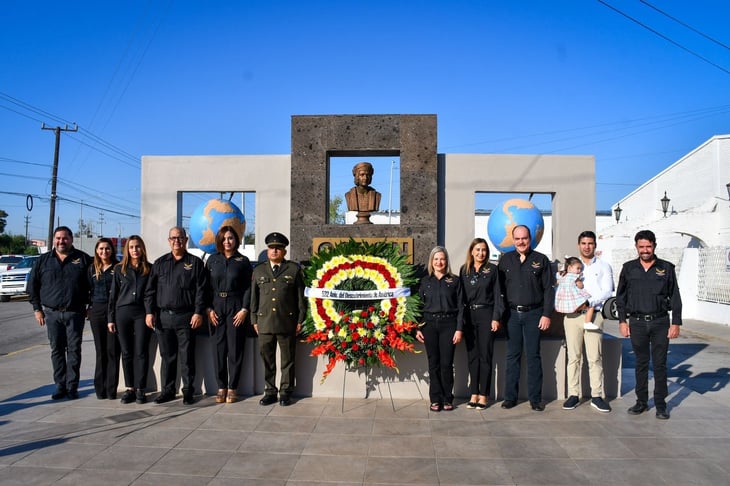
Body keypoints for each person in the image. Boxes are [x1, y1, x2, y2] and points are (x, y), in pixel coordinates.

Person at [616, 229, 682, 420]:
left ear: (654, 246)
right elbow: (621, 297)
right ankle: (641, 402)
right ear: (636, 247)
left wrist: (676, 322)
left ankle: (661, 405)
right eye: (641, 247)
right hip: (636, 322)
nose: (645, 250)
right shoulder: (628, 268)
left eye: (648, 246)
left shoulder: (666, 268)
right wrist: (622, 321)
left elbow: (675, 296)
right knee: (641, 363)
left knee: (660, 365)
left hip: (660, 321)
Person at [145, 227, 208, 405]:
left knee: (187, 356)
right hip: (164, 318)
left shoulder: (195, 263)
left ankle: (188, 391)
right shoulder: (159, 263)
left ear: (186, 240)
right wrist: (149, 312)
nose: (176, 241)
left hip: (187, 317)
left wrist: (198, 312)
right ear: (169, 240)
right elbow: (150, 291)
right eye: (173, 238)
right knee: (167, 357)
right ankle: (168, 390)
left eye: (180, 238)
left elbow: (201, 291)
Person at [28, 226, 92, 400]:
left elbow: (94, 285)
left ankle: (72, 387)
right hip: (51, 314)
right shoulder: (43, 260)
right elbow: (32, 286)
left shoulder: (83, 259)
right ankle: (60, 386)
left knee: (74, 350)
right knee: (56, 350)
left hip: (75, 313)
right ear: (53, 240)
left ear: (71, 239)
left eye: (64, 238)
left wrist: (90, 306)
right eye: (58, 238)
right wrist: (37, 309)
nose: (61, 241)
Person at [497, 225, 554, 411]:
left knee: (533, 356)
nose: (521, 242)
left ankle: (535, 399)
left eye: (524, 238)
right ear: (513, 240)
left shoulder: (541, 260)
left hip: (534, 315)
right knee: (512, 356)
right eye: (517, 239)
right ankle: (510, 398)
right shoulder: (505, 261)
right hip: (512, 315)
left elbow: (548, 290)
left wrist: (546, 314)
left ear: (530, 239)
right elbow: (500, 291)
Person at [250, 232, 307, 406]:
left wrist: (300, 320)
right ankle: (269, 391)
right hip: (264, 322)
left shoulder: (293, 270)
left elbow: (300, 298)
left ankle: (285, 392)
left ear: (284, 251)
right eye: (271, 248)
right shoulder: (259, 270)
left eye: (278, 248)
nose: (274, 251)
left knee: (287, 360)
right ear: (268, 250)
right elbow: (254, 297)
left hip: (286, 322)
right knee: (267, 360)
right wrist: (254, 319)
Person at [561, 231, 614, 413]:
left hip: (594, 313)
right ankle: (573, 394)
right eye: (583, 243)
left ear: (595, 245)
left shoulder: (604, 266)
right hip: (573, 316)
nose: (587, 246)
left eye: (590, 243)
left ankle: (597, 395)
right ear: (578, 245)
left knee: (594, 357)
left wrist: (589, 301)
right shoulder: (571, 267)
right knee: (573, 357)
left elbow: (608, 291)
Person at [206, 225, 253, 404]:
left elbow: (249, 288)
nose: (227, 241)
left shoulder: (243, 261)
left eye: (231, 238)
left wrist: (244, 309)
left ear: (236, 240)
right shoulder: (212, 260)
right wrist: (208, 309)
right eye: (224, 238)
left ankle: (233, 387)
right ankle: (221, 387)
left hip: (236, 306)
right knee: (218, 350)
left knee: (235, 349)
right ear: (219, 240)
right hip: (216, 306)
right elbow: (205, 287)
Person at [416, 246, 464, 412]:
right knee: (433, 364)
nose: (439, 262)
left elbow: (460, 307)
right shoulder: (424, 281)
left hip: (449, 325)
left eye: (442, 259)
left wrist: (459, 329)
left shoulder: (455, 281)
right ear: (431, 261)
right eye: (436, 259)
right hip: (429, 325)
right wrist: (417, 328)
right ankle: (435, 399)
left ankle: (447, 398)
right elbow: (418, 307)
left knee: (446, 364)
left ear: (446, 261)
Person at [109, 235, 153, 405]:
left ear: (142, 248)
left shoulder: (150, 268)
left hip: (141, 313)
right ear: (127, 249)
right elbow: (113, 295)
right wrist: (110, 318)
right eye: (132, 247)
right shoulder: (119, 269)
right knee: (126, 352)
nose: (135, 250)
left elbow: (150, 294)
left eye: (138, 246)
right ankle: (130, 388)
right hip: (123, 313)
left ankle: (141, 388)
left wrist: (150, 312)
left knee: (141, 351)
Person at [459, 238, 501, 410]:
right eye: (477, 249)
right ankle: (474, 393)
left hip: (486, 315)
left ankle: (484, 395)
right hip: (469, 316)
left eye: (483, 250)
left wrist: (496, 317)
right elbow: (460, 297)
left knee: (485, 356)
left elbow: (498, 295)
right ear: (471, 251)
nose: (480, 253)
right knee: (472, 357)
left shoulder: (492, 270)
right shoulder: (465, 270)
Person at [87, 238, 120, 400]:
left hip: (113, 311)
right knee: (101, 351)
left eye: (107, 249)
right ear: (96, 251)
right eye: (101, 249)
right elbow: (87, 290)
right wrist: (88, 308)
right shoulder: (92, 269)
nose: (104, 252)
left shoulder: (118, 267)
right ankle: (100, 389)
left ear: (112, 250)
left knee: (112, 351)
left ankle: (111, 389)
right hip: (97, 311)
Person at [555, 256, 595, 327]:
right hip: (573, 296)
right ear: (570, 268)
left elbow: (557, 282)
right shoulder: (574, 276)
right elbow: (580, 286)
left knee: (570, 307)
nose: (579, 270)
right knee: (590, 305)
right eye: (578, 268)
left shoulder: (562, 276)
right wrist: (580, 281)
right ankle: (587, 322)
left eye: (580, 269)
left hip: (564, 298)